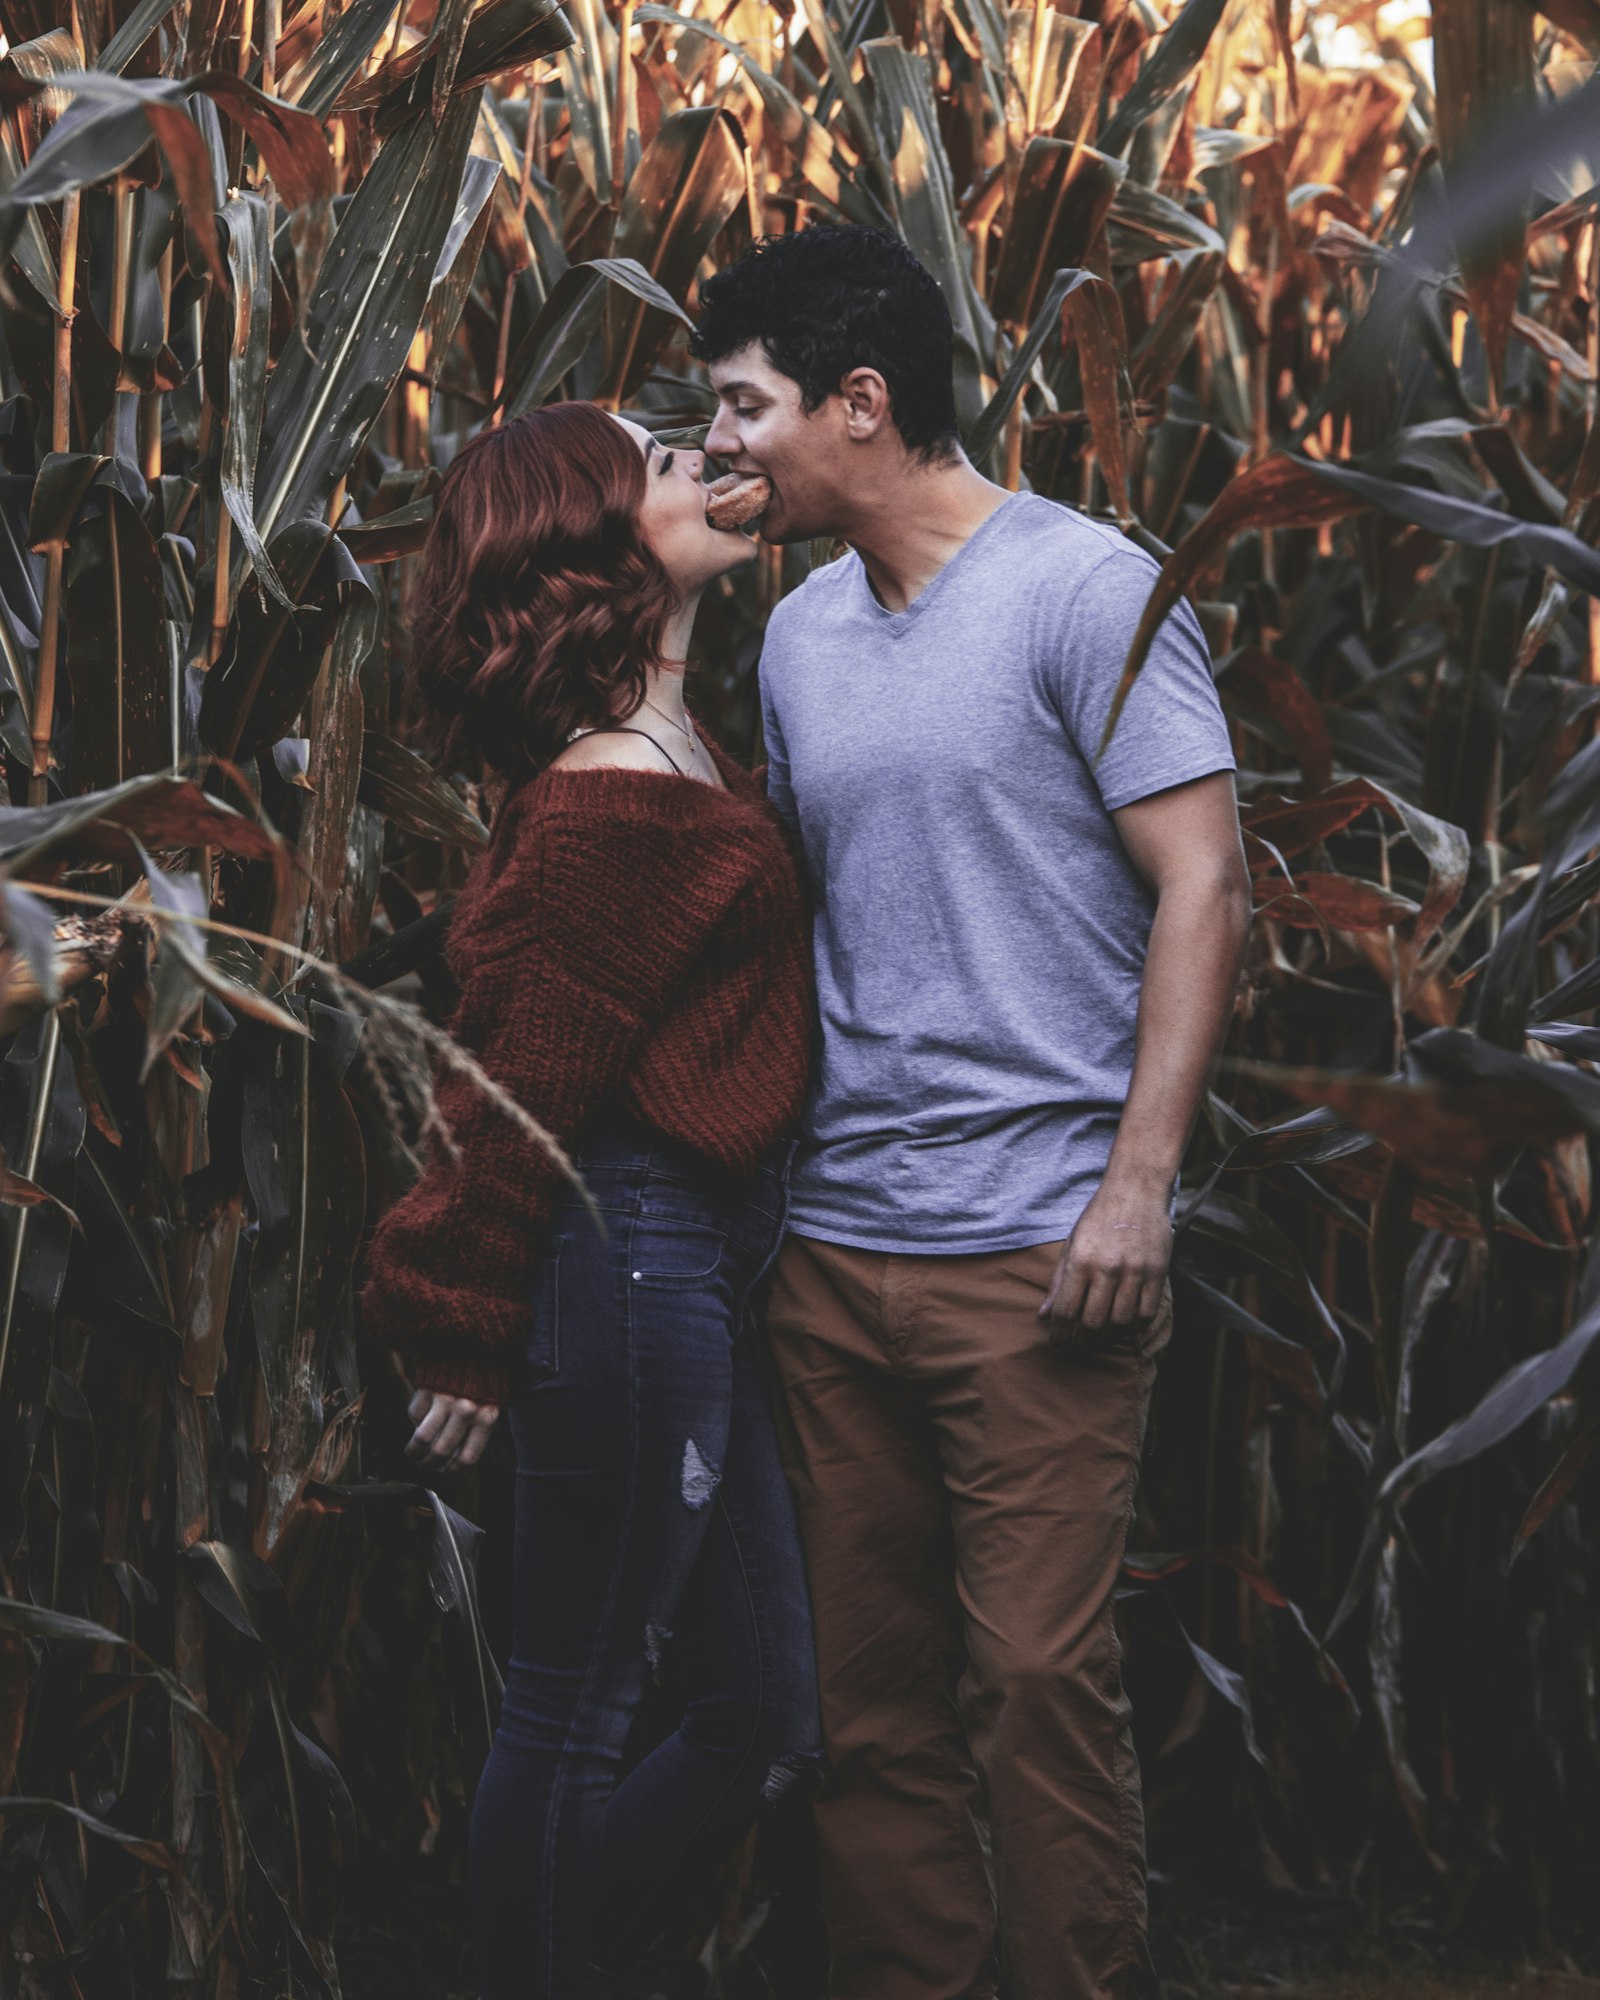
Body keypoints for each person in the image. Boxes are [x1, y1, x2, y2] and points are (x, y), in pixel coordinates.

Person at [691, 225, 1253, 2000]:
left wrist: (1137, 1188)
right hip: (839, 1254)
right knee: (865, 1709)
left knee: (1030, 1682)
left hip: (1040, 1250)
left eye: (746, 408)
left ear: (861, 404)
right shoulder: (795, 639)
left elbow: (1207, 884)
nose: (723, 449)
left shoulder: (1087, 590)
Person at [359, 402, 822, 2000]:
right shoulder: (614, 796)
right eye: (663, 463)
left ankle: (522, 1954)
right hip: (620, 1267)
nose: (704, 463)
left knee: (756, 1710)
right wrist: (461, 1324)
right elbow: (509, 1089)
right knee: (577, 1710)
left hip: (683, 1276)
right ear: (594, 542)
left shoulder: (673, 751)